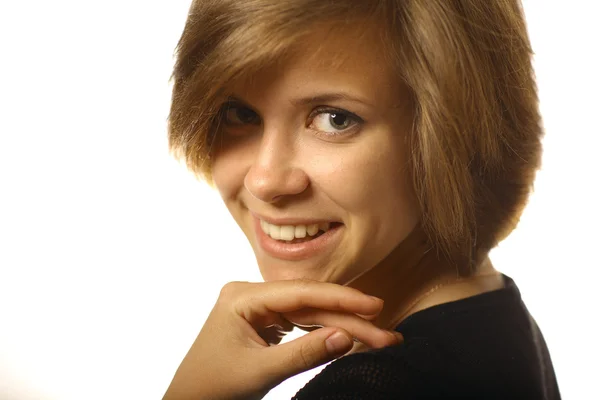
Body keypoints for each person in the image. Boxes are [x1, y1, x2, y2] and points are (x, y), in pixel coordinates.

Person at [162, 0, 560, 399]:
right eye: (239, 114)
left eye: (335, 118)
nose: (264, 181)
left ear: (452, 135)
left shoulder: (372, 387)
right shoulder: (490, 311)